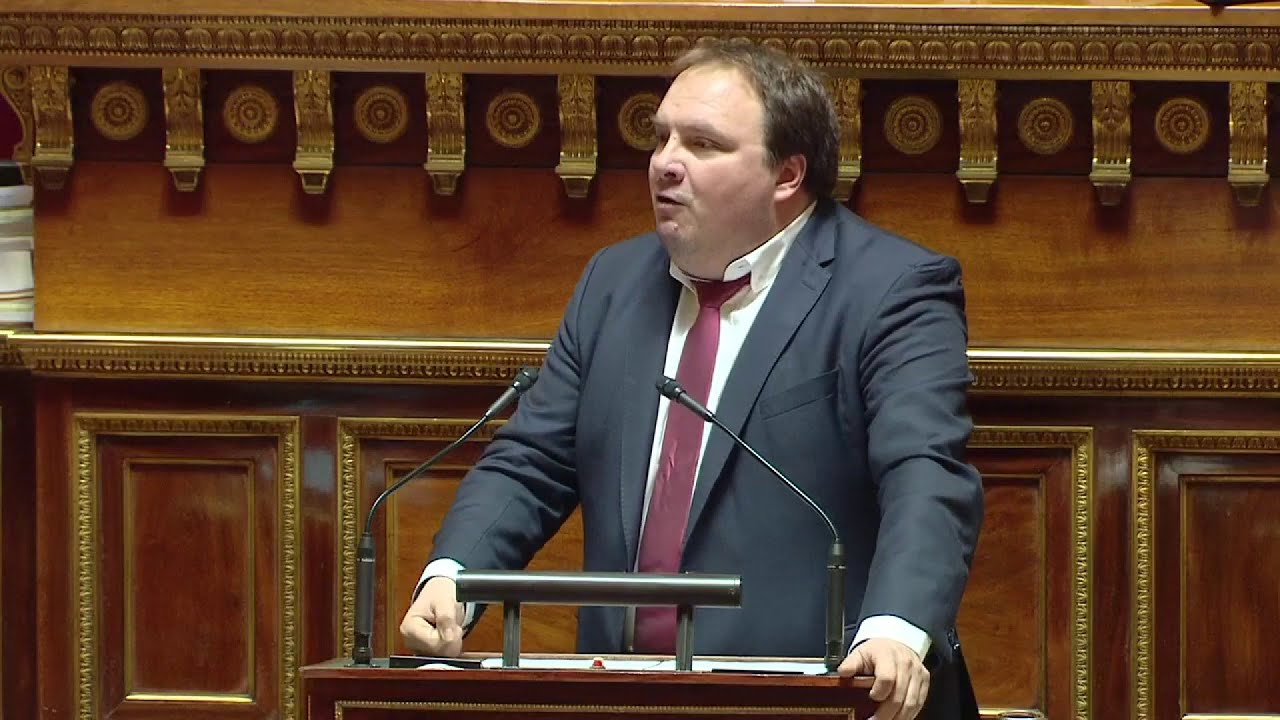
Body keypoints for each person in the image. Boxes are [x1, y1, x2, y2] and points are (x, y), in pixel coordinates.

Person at [401, 40, 983, 720]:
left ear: (788, 173)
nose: (665, 164)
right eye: (661, 139)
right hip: (626, 699)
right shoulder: (613, 284)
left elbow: (925, 472)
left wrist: (895, 628)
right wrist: (453, 576)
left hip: (818, 698)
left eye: (703, 144)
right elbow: (533, 461)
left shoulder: (891, 288)